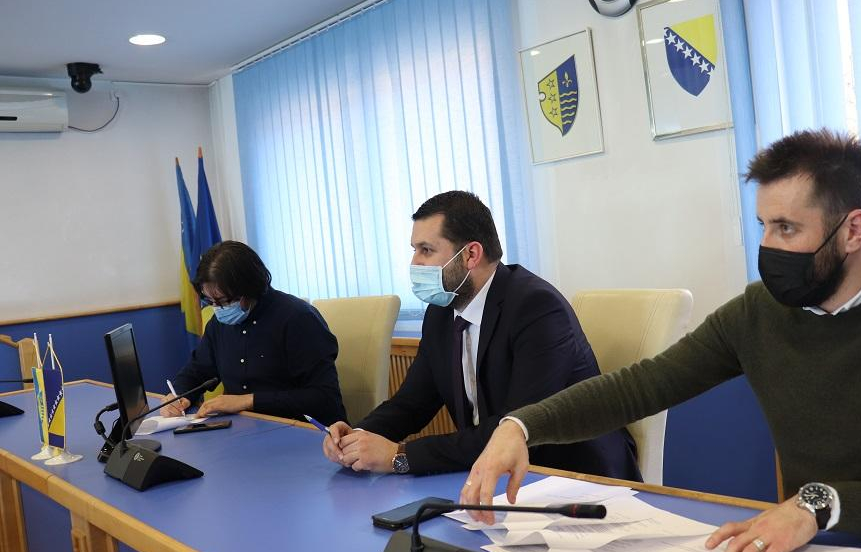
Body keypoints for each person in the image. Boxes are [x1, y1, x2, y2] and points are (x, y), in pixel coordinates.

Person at [460, 130, 861, 552]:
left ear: (854, 230)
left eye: (787, 228)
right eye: (763, 225)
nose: (768, 245)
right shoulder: (759, 312)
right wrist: (522, 425)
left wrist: (818, 505)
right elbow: (645, 384)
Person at [322, 190, 641, 478]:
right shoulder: (441, 312)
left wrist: (399, 456)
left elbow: (516, 427)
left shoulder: (537, 308)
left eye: (426, 250)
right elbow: (412, 403)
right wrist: (356, 436)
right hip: (493, 471)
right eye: (414, 249)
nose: (415, 262)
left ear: (471, 254)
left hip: (572, 476)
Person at [162, 240, 347, 426]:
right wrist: (179, 395)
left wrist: (248, 400)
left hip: (301, 429)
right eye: (211, 302)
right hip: (242, 428)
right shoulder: (219, 324)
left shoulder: (298, 318)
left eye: (224, 301)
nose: (218, 309)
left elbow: (323, 397)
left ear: (249, 288)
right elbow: (197, 370)